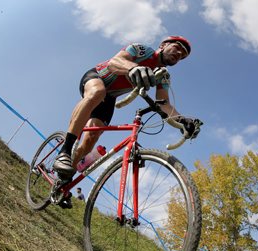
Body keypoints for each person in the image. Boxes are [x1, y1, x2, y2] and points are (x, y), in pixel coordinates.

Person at [53, 36, 201, 186]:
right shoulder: (143, 50)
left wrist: (183, 121)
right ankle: (65, 151)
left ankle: (63, 178)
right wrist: (133, 68)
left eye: (182, 55)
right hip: (97, 78)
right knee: (98, 92)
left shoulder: (162, 76)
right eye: (177, 47)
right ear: (163, 45)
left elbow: (164, 104)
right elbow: (114, 63)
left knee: (91, 137)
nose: (179, 54)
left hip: (110, 97)